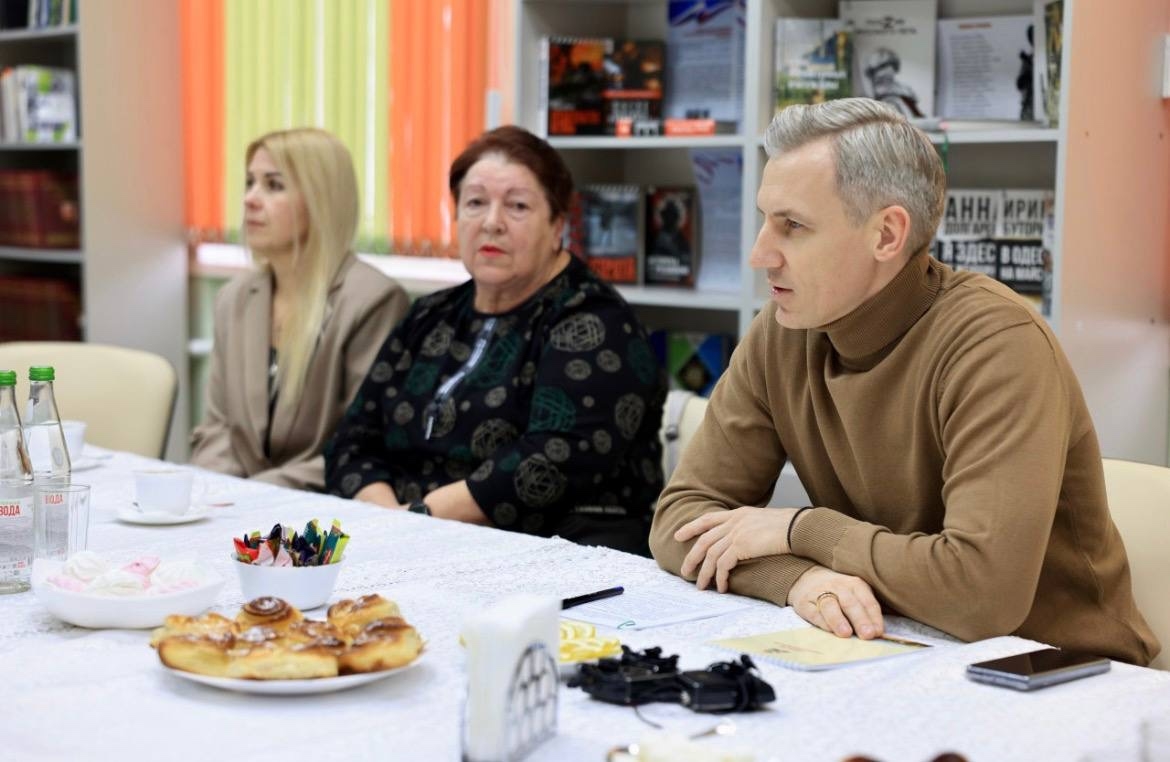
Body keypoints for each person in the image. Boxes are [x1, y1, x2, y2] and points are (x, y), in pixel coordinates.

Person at [649, 98, 1159, 665]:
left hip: (1062, 670)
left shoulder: (997, 343)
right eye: (765, 219)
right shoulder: (784, 329)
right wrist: (796, 580)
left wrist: (802, 530)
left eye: (792, 226)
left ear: (887, 235)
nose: (759, 254)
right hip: (897, 643)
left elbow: (981, 595)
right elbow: (680, 519)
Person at [325, 125, 666, 555]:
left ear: (557, 225)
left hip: (555, 552)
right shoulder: (430, 314)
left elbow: (552, 460)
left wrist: (417, 519)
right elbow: (352, 440)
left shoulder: (596, 321)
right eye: (475, 203)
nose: (491, 223)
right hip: (411, 538)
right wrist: (386, 516)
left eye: (517, 206)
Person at [190, 128, 409, 491]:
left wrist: (254, 495)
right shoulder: (234, 297)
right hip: (235, 505)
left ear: (322, 200)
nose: (250, 199)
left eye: (274, 185)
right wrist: (210, 493)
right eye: (250, 183)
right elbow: (218, 428)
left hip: (323, 512)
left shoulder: (373, 301)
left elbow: (363, 446)